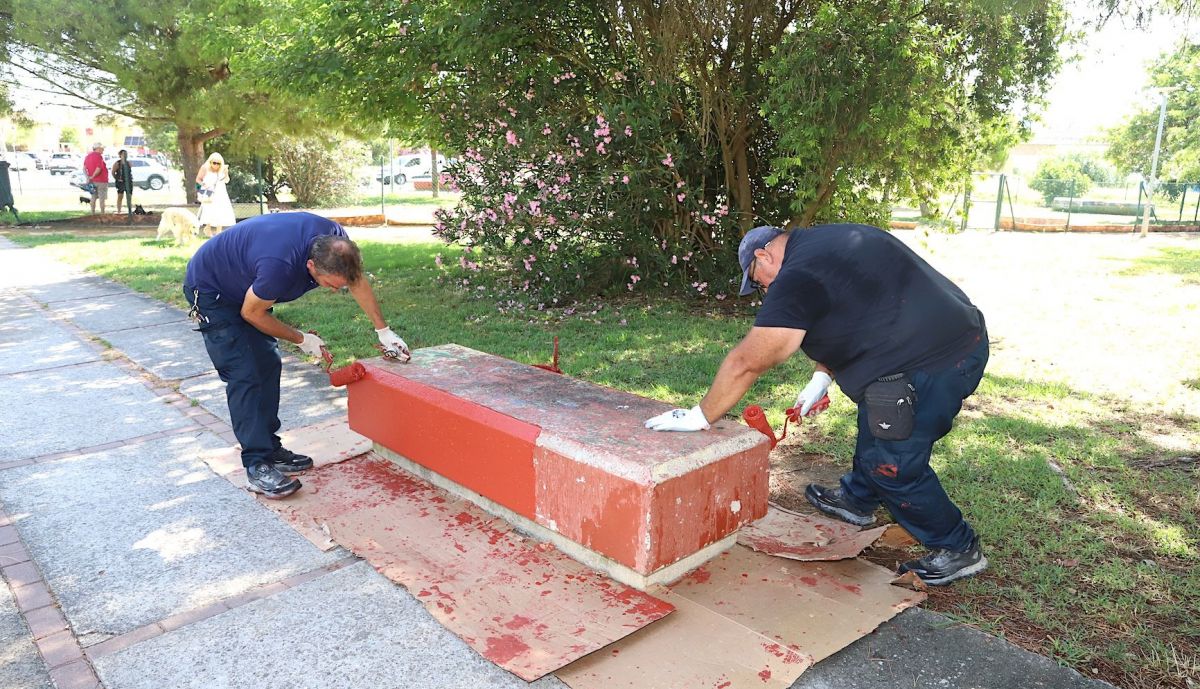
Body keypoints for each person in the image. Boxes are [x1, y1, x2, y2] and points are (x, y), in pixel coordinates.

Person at [644, 224, 989, 586]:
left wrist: (701, 415)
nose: (764, 290)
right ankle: (857, 500)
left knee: (895, 465)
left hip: (936, 363)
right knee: (878, 419)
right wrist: (822, 376)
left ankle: (958, 547)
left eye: (757, 280)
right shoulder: (830, 241)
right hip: (946, 339)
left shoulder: (798, 274)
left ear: (764, 256)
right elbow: (852, 313)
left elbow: (749, 360)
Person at [183, 212, 412, 499]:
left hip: (248, 284)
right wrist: (302, 339)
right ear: (310, 265)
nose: (334, 290)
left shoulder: (336, 241)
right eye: (330, 284)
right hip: (212, 291)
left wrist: (384, 331)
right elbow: (251, 313)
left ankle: (270, 446)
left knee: (268, 363)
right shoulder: (279, 266)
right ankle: (256, 465)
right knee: (244, 374)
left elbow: (355, 281)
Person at [196, 152, 236, 235]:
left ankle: (218, 231)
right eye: (214, 163)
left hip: (220, 193)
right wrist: (204, 184)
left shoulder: (222, 170)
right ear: (210, 162)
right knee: (209, 210)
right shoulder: (205, 168)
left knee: (220, 210)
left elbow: (227, 180)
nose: (216, 165)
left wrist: (226, 173)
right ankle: (208, 228)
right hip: (209, 192)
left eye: (218, 163)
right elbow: (198, 179)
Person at [83, 143, 108, 214]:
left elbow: (84, 168)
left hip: (92, 181)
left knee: (93, 197)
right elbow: (98, 168)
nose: (103, 150)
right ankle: (102, 213)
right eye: (102, 148)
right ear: (98, 149)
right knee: (101, 198)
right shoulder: (99, 157)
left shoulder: (87, 156)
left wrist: (88, 177)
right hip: (101, 180)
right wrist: (93, 176)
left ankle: (92, 213)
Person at [112, 150, 134, 214]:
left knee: (129, 196)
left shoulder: (128, 163)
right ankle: (119, 210)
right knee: (120, 196)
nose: (125, 156)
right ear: (120, 155)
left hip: (128, 181)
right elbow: (113, 172)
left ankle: (129, 210)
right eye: (123, 154)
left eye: (126, 154)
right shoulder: (117, 163)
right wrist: (117, 178)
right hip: (121, 182)